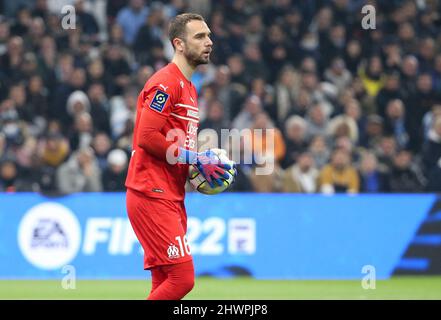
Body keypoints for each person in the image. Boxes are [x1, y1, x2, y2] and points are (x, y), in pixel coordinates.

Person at [125, 13, 231, 300]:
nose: (209, 42)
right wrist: (194, 158)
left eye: (209, 35)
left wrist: (195, 174)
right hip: (151, 192)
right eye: (200, 37)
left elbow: (174, 147)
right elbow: (146, 138)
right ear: (179, 44)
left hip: (168, 194)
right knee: (183, 278)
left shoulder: (190, 88)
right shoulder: (165, 83)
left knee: (164, 281)